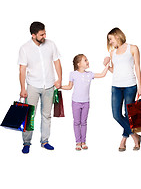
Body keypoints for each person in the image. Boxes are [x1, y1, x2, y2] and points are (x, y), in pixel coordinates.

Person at [18, 21, 62, 154]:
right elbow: (22, 70)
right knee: (29, 115)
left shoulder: (51, 44)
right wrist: (22, 88)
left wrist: (59, 79)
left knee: (46, 115)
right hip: (32, 86)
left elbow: (57, 61)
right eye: (41, 34)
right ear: (33, 35)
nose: (44, 36)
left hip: (49, 86)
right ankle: (26, 143)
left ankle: (45, 141)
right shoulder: (25, 48)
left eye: (45, 33)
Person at [104, 27, 141, 151]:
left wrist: (140, 86)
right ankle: (135, 136)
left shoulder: (133, 48)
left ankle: (124, 139)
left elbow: (137, 67)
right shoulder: (112, 53)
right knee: (116, 115)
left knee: (128, 114)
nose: (110, 42)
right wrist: (106, 65)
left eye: (110, 39)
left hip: (130, 86)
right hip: (116, 86)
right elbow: (114, 70)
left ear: (117, 36)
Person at [61, 54, 110, 151]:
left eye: (87, 60)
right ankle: (78, 142)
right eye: (85, 60)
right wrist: (60, 86)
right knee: (76, 122)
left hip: (86, 102)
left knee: (83, 122)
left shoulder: (89, 74)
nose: (87, 61)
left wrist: (107, 64)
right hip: (76, 102)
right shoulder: (73, 74)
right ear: (79, 64)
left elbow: (102, 74)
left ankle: (83, 142)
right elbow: (69, 86)